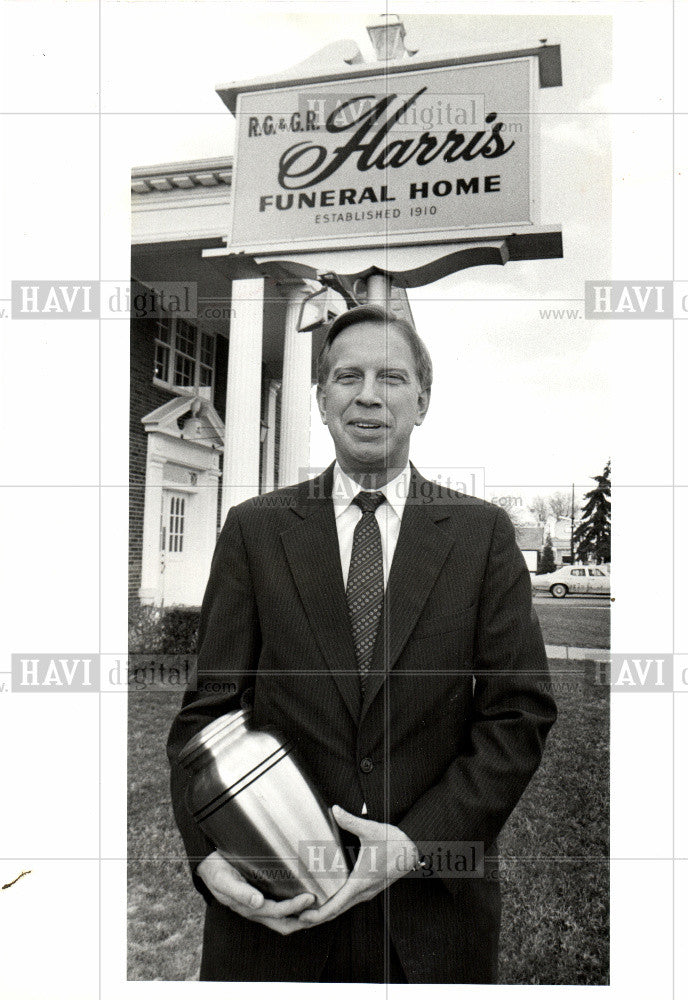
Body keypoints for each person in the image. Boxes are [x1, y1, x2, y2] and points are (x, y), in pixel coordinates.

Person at [166, 304, 557, 983]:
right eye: (347, 376)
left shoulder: (482, 536)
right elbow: (208, 717)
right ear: (321, 400)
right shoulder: (255, 531)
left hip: (429, 923)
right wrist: (208, 857)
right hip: (274, 916)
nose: (369, 394)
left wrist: (413, 844)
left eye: (391, 377)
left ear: (422, 400)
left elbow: (516, 716)